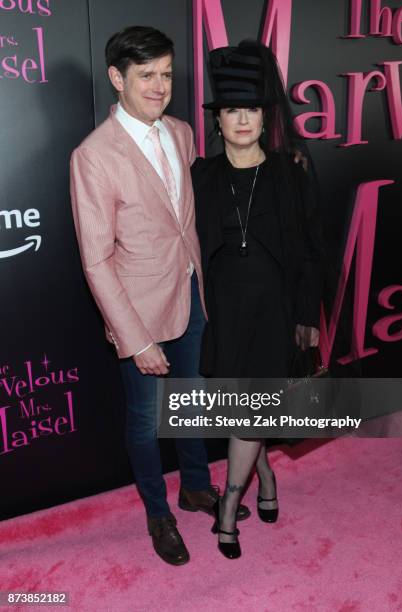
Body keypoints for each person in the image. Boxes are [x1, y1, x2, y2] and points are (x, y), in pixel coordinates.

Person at [70, 26, 249, 567]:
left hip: (191, 295)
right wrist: (135, 337)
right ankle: (158, 513)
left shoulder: (182, 131)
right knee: (146, 419)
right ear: (116, 78)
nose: (159, 85)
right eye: (146, 75)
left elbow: (185, 221)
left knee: (189, 403)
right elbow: (96, 259)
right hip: (140, 314)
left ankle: (196, 487)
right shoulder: (94, 156)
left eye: (166, 74)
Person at [192, 41, 324, 559]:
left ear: (264, 116)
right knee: (237, 415)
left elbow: (312, 251)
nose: (242, 119)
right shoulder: (201, 176)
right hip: (222, 313)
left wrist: (306, 317)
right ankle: (265, 478)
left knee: (249, 415)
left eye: (251, 109)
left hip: (272, 314)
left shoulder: (290, 172)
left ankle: (228, 507)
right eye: (231, 110)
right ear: (218, 119)